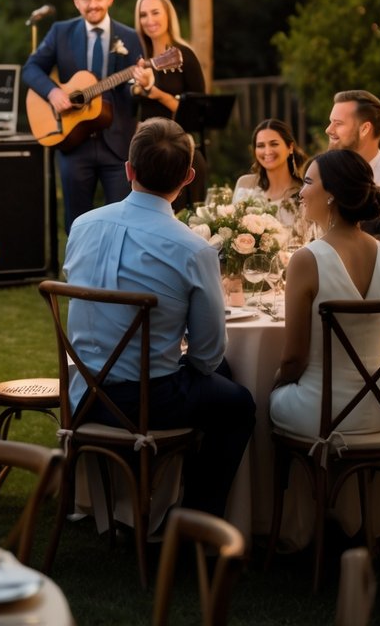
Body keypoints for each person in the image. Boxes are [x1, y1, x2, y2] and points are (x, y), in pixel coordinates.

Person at [64, 117, 256, 518]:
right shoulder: (193, 249)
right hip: (148, 403)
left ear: (128, 170)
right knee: (238, 401)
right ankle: (196, 518)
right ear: (188, 177)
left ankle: (120, 502)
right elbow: (205, 355)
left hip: (81, 393)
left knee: (215, 377)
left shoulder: (82, 225)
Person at [270, 149, 380, 434]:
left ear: (332, 194)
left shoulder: (306, 259)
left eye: (309, 183)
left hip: (322, 411)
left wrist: (272, 379)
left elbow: (293, 359)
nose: (301, 192)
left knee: (262, 395)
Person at [22, 0, 150, 231]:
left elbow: (130, 92)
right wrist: (53, 92)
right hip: (73, 141)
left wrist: (141, 85)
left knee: (122, 223)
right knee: (76, 225)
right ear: (76, 2)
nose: (93, 5)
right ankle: (78, 273)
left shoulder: (129, 37)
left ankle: (117, 273)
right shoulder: (61, 32)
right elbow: (31, 69)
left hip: (117, 146)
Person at [133, 0, 207, 206]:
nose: (149, 20)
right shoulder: (135, 58)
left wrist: (155, 93)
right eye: (143, 15)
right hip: (143, 154)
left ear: (168, 16)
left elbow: (197, 112)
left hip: (180, 150)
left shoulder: (184, 55)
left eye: (155, 13)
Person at [326, 90, 380, 232]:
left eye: (338, 123)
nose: (328, 130)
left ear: (365, 129)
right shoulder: (328, 175)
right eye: (331, 122)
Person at [232, 117, 307, 229]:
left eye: (274, 144)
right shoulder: (245, 184)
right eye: (261, 146)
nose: (267, 151)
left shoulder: (304, 190)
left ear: (290, 147)